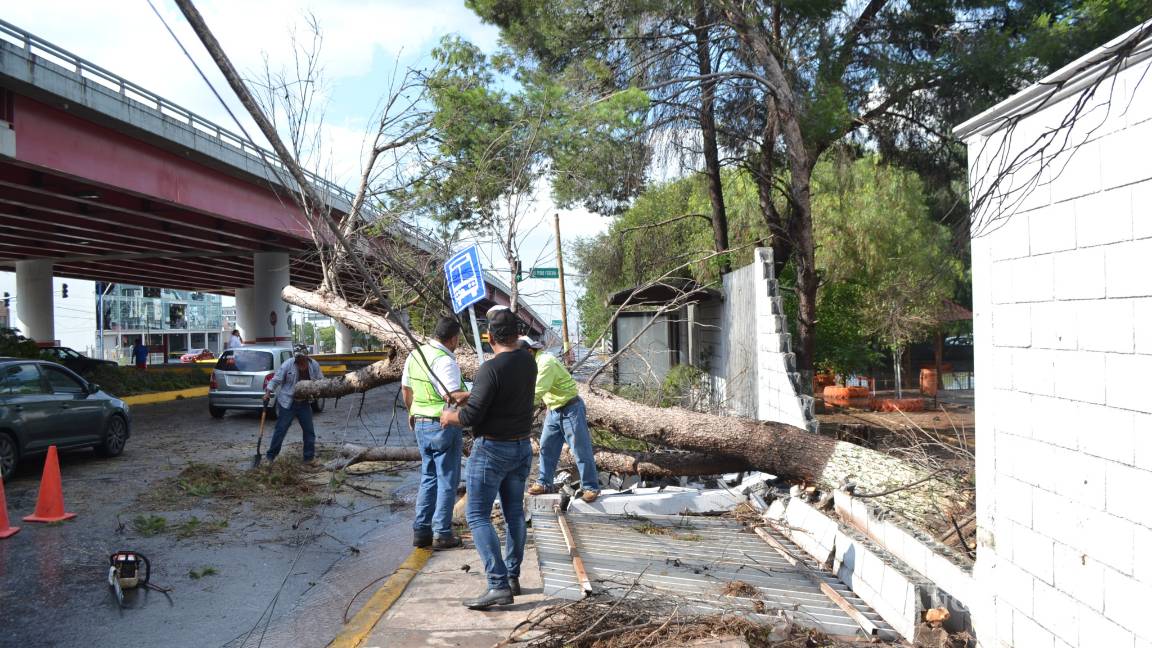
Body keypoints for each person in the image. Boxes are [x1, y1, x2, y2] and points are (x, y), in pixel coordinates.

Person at [441, 309, 536, 610]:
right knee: (514, 515)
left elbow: (470, 418)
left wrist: (449, 415)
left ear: (490, 337)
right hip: (521, 448)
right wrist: (471, 396)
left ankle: (497, 584)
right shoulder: (528, 362)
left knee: (478, 516)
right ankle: (512, 578)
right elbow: (503, 397)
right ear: (517, 335)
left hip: (493, 450)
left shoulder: (489, 369)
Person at [401, 316, 469, 550]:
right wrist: (478, 393)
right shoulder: (444, 361)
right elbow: (452, 396)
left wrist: (412, 411)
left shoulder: (415, 355)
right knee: (447, 479)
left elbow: (406, 389)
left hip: (420, 422)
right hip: (442, 425)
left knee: (428, 477)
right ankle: (442, 532)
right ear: (453, 339)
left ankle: (421, 531)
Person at [522, 337, 600, 502]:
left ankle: (590, 486)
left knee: (580, 449)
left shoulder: (545, 362)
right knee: (546, 447)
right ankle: (543, 483)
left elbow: (536, 393)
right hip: (554, 410)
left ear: (529, 351)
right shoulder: (531, 363)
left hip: (569, 408)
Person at [263, 351, 323, 463]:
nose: (299, 360)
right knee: (281, 430)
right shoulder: (288, 364)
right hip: (288, 402)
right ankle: (270, 456)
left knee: (309, 431)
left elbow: (320, 380)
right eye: (297, 357)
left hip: (304, 402)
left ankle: (308, 458)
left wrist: (320, 390)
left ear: (306, 356)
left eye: (301, 357)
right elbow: (276, 379)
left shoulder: (313, 364)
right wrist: (268, 392)